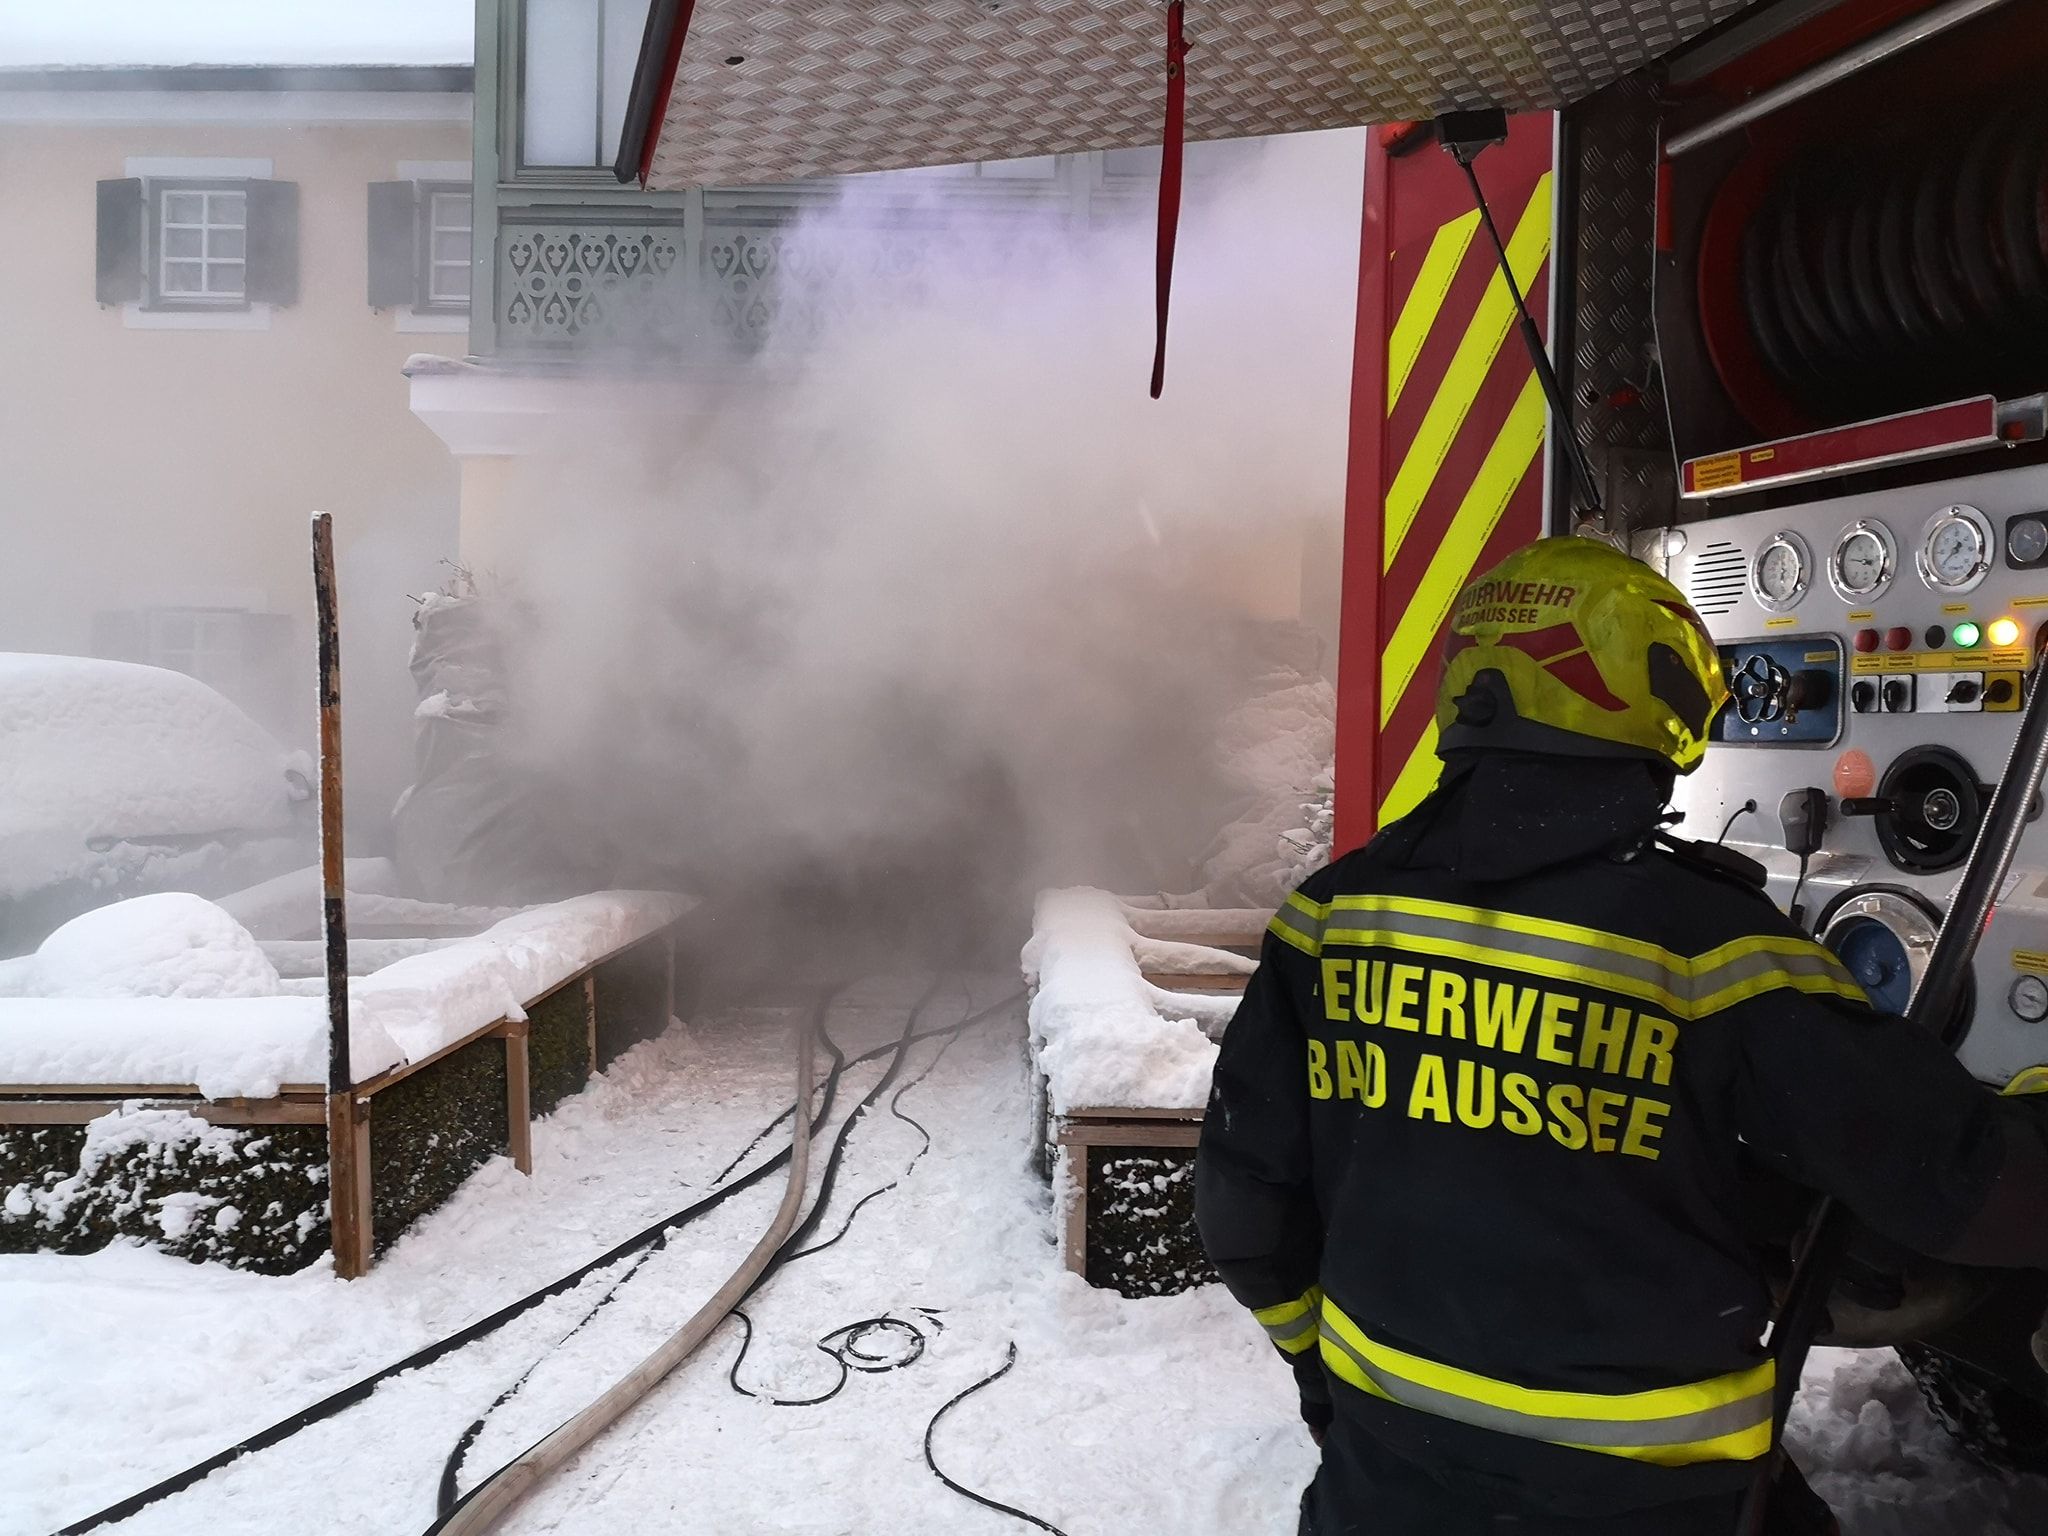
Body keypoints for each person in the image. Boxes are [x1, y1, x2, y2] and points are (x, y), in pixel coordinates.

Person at [1194, 537, 2048, 1535]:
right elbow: (1949, 1182)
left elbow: (1240, 1203)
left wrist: (1328, 1384)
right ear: (1640, 696)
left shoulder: (1328, 916)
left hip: (1381, 1487)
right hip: (1649, 1503)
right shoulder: (1709, 948)